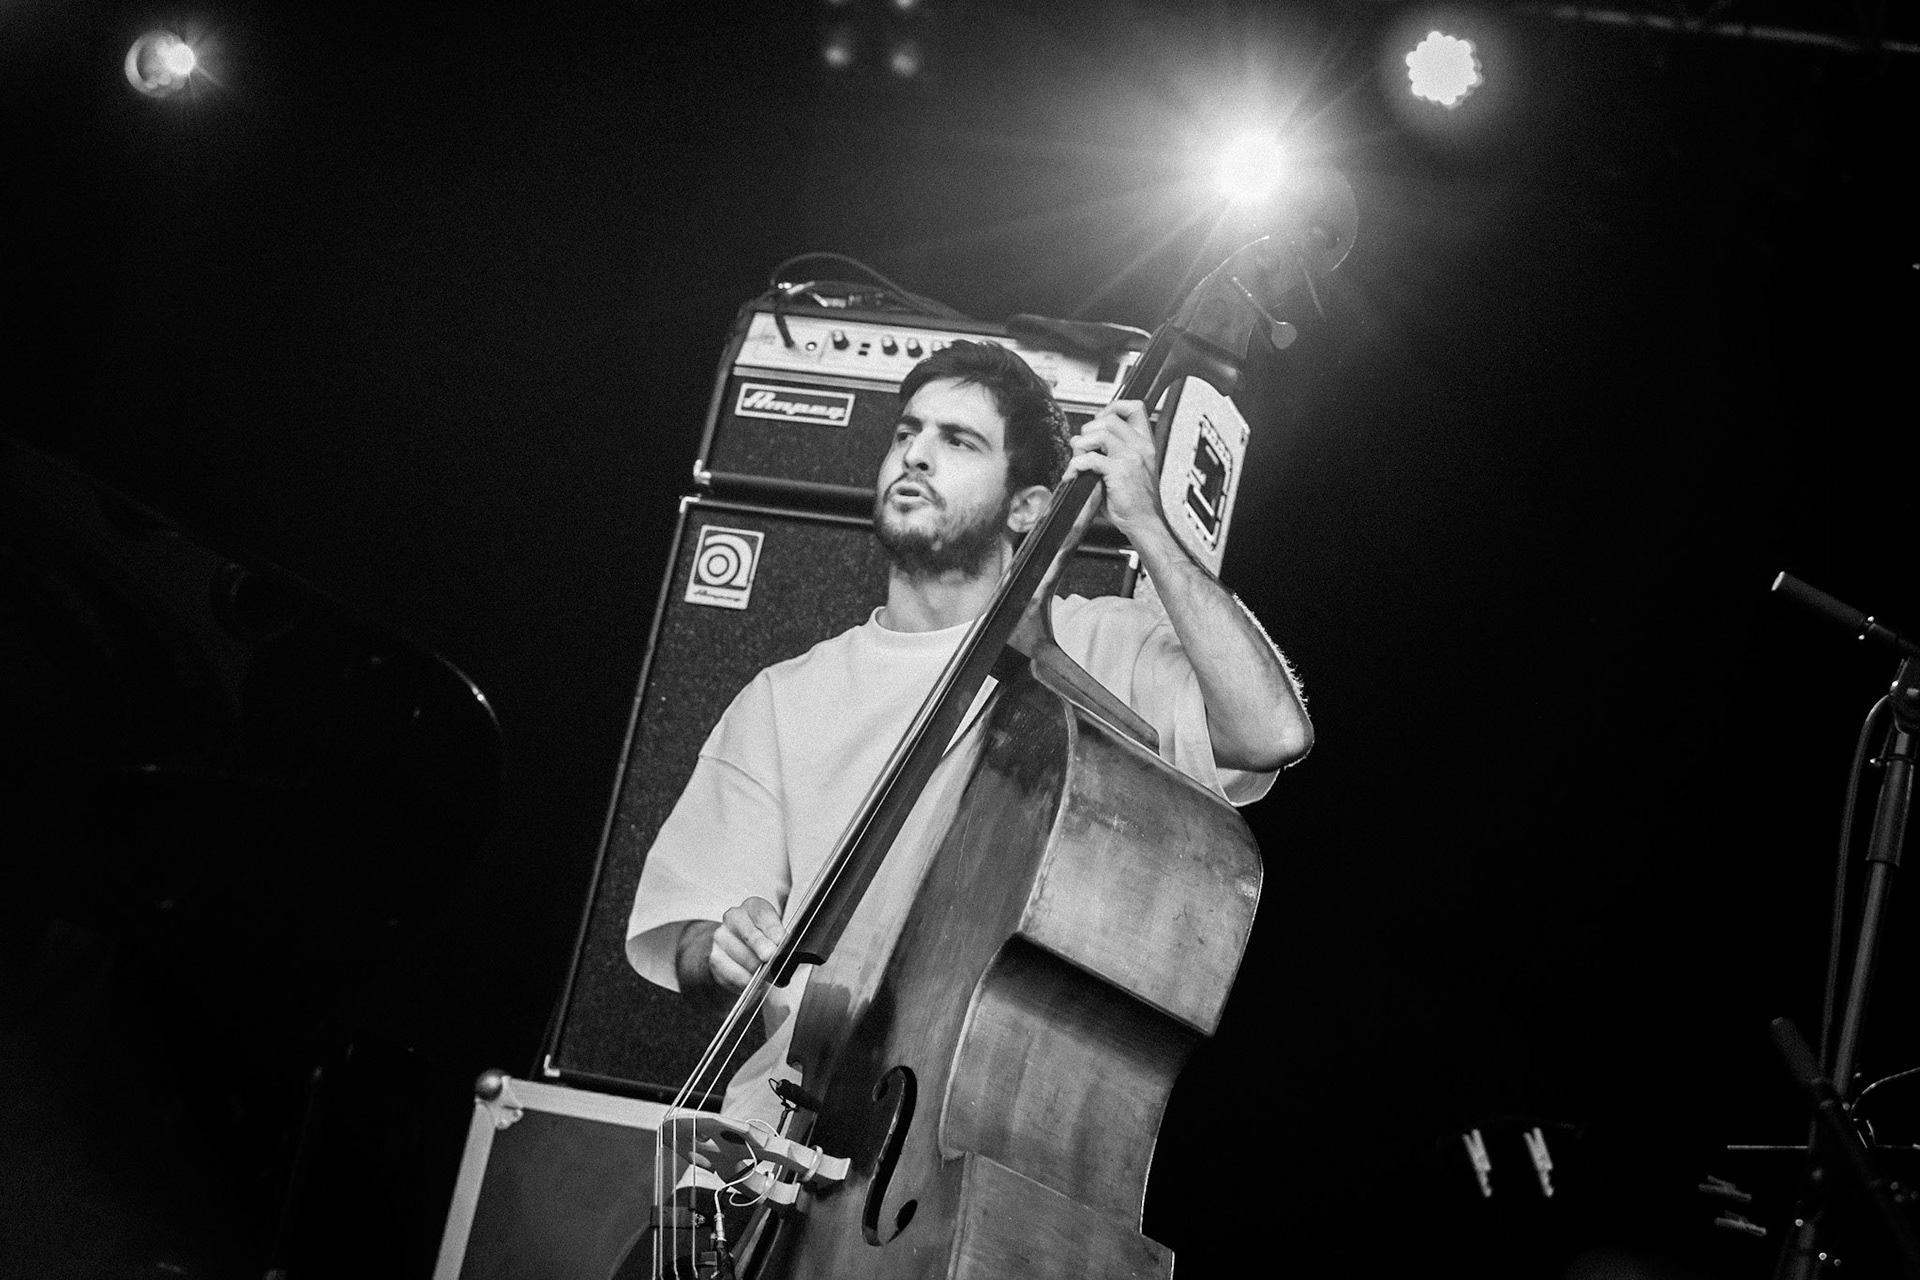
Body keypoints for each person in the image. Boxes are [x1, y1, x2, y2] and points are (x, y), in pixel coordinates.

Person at [625, 340, 1311, 1136]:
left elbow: (1271, 732)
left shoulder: (1098, 645)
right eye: (906, 431)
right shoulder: (783, 697)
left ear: (1028, 506)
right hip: (784, 1130)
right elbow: (687, 943)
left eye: (959, 441)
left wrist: (1148, 527)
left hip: (995, 1126)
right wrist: (720, 947)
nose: (915, 453)